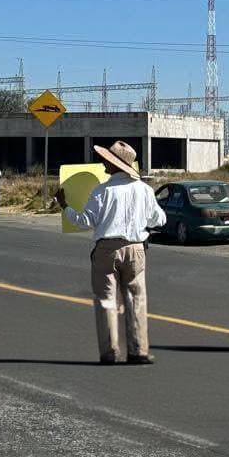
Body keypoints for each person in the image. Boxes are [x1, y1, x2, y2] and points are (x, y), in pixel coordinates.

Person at [57, 140, 165, 365]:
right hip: (136, 248)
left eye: (108, 159)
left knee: (106, 300)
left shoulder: (102, 190)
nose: (104, 162)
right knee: (137, 299)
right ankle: (138, 351)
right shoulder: (144, 189)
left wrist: (64, 206)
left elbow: (84, 220)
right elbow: (159, 219)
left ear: (116, 164)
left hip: (107, 249)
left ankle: (110, 352)